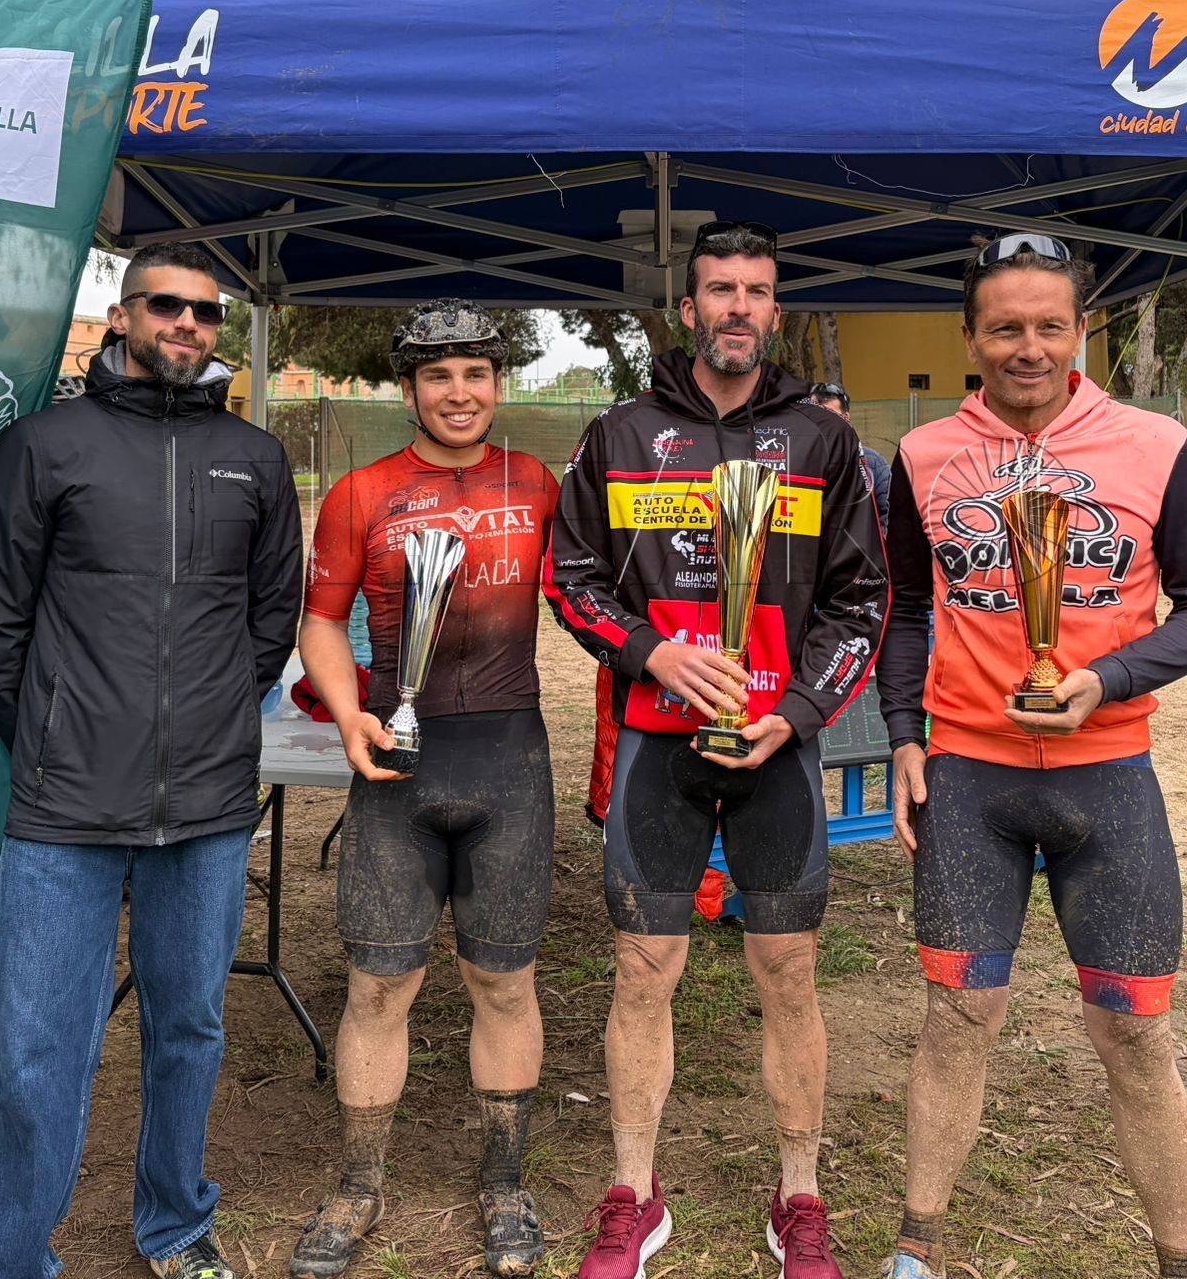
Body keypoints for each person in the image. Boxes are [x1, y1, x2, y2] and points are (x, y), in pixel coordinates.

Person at [877, 233, 1187, 1279]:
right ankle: (916, 1249)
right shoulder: (922, 455)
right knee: (958, 1018)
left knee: (1134, 1034)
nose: (1027, 347)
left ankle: (1181, 1262)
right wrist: (904, 736)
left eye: (1048, 325)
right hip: (969, 779)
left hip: (1107, 777)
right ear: (970, 340)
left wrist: (1106, 680)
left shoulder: (1155, 444)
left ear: (1083, 330)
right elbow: (906, 607)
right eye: (1004, 329)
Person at [545, 221, 889, 1279]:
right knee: (641, 968)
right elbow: (570, 578)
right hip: (658, 745)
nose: (737, 307)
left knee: (788, 972)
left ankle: (800, 1196)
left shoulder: (823, 442)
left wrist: (800, 709)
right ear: (687, 308)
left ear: (775, 309)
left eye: (755, 290)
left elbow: (862, 599)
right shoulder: (620, 433)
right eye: (719, 290)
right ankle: (633, 1196)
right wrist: (650, 653)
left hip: (775, 747)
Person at [0, 243, 304, 1279]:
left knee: (189, 1029)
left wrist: (210, 722)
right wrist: (54, 734)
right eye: (165, 305)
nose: (187, 324)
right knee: (34, 1049)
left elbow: (270, 618)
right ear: (121, 315)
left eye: (206, 312)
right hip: (64, 806)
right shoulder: (44, 445)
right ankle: (10, 1258)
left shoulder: (255, 457)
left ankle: (176, 1224)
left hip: (207, 805)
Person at [293, 300, 561, 1279]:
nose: (459, 393)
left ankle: (504, 1182)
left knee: (504, 982)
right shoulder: (360, 493)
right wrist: (346, 711)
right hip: (396, 765)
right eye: (438, 375)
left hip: (509, 761)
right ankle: (357, 1185)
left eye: (475, 373)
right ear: (407, 389)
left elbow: (599, 591)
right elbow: (321, 620)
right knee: (378, 983)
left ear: (498, 384)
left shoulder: (534, 483)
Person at [807, 381, 892, 535]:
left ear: (845, 418)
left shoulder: (873, 464)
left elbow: (889, 518)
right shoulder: (795, 462)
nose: (820, 424)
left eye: (829, 416)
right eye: (813, 416)